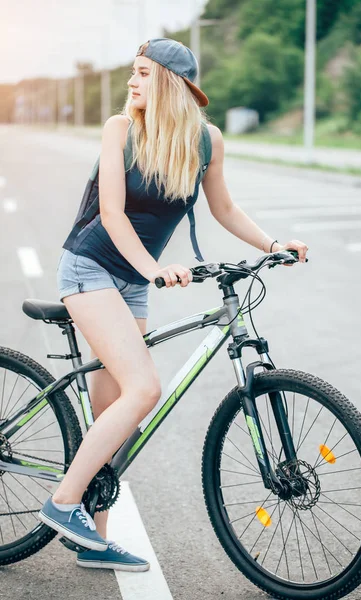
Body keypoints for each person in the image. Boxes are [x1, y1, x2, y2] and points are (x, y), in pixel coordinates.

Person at [39, 37, 309, 572]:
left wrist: (272, 245)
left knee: (115, 417)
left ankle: (92, 541)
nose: (132, 83)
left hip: (134, 280)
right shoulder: (120, 129)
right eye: (132, 73)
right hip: (91, 268)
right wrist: (156, 270)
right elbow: (112, 216)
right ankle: (62, 503)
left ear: (168, 80)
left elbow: (225, 207)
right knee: (143, 389)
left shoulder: (206, 141)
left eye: (142, 73)